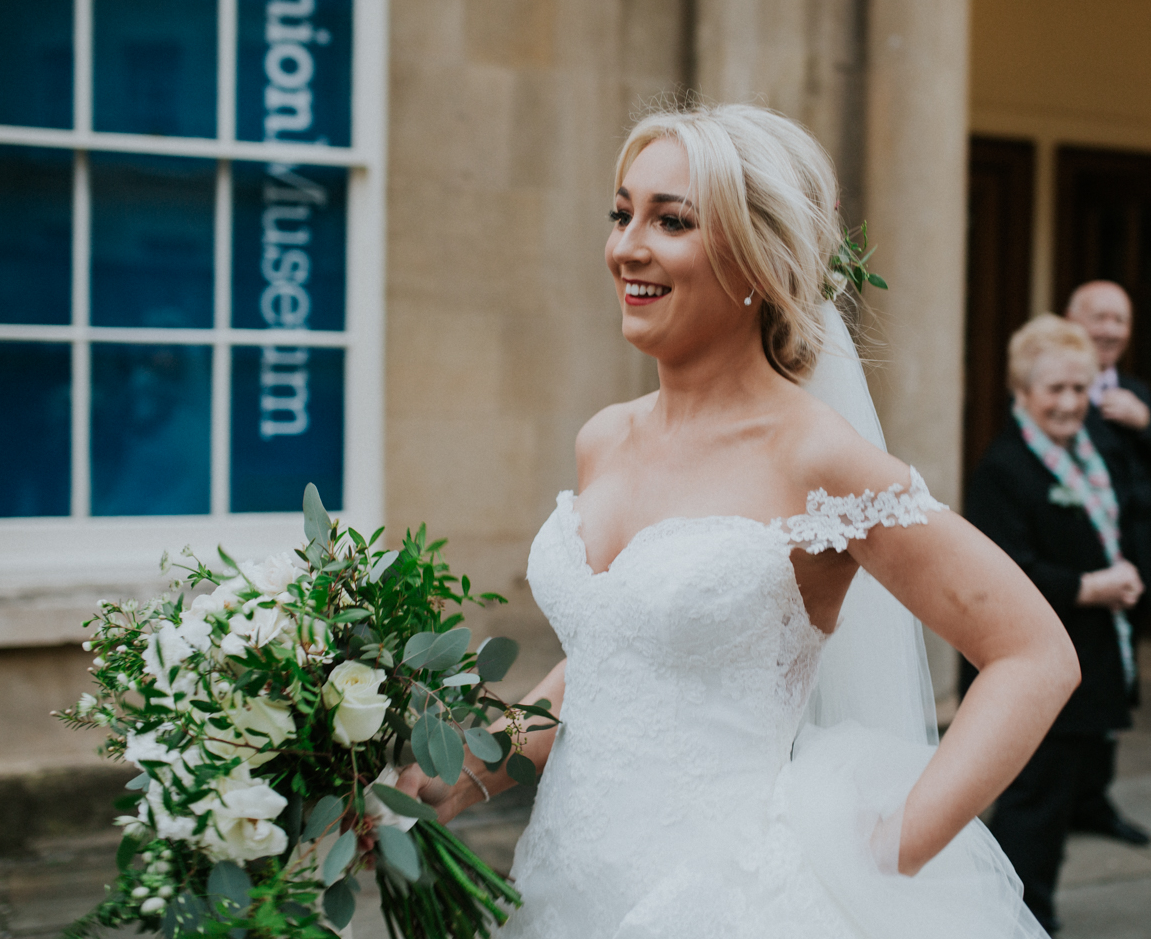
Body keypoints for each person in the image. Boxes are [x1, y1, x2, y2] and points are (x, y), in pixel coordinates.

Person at [397, 104, 1080, 938]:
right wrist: (457, 776)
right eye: (622, 214)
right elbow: (613, 659)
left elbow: (1034, 655)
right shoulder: (603, 438)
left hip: (730, 900)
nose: (627, 247)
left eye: (671, 220)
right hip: (566, 884)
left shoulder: (820, 460)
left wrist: (892, 852)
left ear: (754, 256)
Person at [960, 314, 1144, 934]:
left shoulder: (1088, 455)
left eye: (1078, 389)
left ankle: (1032, 909)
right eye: (1054, 390)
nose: (1069, 404)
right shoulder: (1005, 468)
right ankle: (1017, 919)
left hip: (1085, 668)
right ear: (1022, 392)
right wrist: (1091, 586)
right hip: (1032, 674)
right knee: (1032, 809)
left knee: (1055, 806)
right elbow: (1002, 577)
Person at [1063, 281, 1151, 849]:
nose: (1111, 329)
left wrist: (1145, 422)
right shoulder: (1055, 389)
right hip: (1077, 572)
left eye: (1121, 320)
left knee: (1117, 687)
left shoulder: (1136, 391)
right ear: (1072, 321)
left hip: (1132, 562)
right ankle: (1049, 800)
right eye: (1100, 317)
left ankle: (1094, 798)